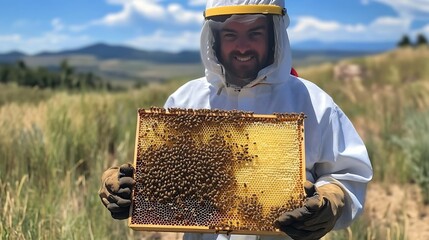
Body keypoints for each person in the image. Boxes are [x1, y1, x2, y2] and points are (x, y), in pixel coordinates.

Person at [98, 0, 373, 239]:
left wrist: (330, 201)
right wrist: (124, 187)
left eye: (254, 32)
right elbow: (167, 171)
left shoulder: (313, 101)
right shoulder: (186, 99)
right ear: (214, 38)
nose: (242, 47)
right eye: (230, 34)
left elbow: (347, 175)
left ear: (274, 35)